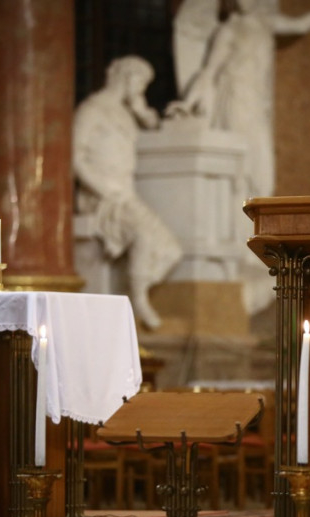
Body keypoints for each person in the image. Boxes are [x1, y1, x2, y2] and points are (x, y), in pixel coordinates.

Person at [167, 0, 310, 199]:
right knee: (242, 154)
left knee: (260, 157)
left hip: (256, 99)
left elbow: (299, 25)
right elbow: (209, 71)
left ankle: (257, 200)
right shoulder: (228, 30)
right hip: (235, 96)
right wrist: (188, 103)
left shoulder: (266, 22)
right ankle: (238, 204)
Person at [73, 56, 182, 330]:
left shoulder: (125, 113)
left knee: (172, 250)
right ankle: (139, 299)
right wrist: (102, 189)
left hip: (125, 195)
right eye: (140, 82)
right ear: (125, 76)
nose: (141, 88)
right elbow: (76, 158)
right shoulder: (92, 110)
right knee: (144, 234)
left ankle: (132, 284)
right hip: (101, 198)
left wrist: (140, 108)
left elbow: (155, 127)